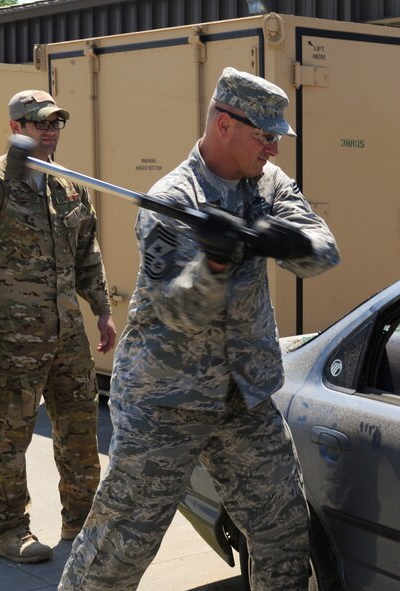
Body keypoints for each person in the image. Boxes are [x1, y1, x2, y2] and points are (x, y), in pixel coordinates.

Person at [59, 67, 340, 591]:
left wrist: (281, 240)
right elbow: (180, 313)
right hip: (166, 400)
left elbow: (325, 250)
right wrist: (213, 260)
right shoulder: (172, 202)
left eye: (277, 137)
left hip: (245, 396)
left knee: (284, 530)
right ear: (225, 125)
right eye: (265, 135)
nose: (274, 150)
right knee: (121, 547)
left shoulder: (268, 184)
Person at [0, 90, 117, 563]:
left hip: (66, 336)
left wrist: (101, 309)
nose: (51, 130)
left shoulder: (67, 186)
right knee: (6, 438)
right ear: (17, 127)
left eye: (57, 121)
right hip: (6, 341)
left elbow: (88, 255)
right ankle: (7, 531)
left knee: (81, 428)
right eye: (41, 123)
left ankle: (81, 523)